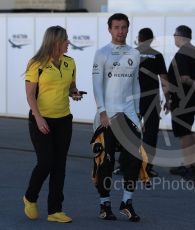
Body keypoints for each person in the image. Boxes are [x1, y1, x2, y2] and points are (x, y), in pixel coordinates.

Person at [23, 25, 83, 223]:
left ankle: (55, 210)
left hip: (64, 119)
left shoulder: (70, 62)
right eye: (66, 40)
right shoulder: (36, 64)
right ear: (56, 41)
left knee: (59, 165)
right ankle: (30, 197)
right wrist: (38, 118)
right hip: (41, 119)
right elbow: (30, 95)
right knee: (46, 162)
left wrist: (74, 93)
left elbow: (71, 86)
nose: (68, 43)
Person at [92, 13, 141, 222]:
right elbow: (96, 84)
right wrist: (102, 111)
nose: (120, 31)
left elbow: (135, 84)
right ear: (109, 29)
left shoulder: (134, 53)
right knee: (106, 163)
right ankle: (105, 205)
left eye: (124, 27)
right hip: (107, 117)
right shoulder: (101, 53)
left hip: (129, 115)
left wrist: (138, 115)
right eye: (116, 27)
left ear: (128, 29)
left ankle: (127, 203)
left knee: (133, 161)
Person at [167, 25, 195, 178]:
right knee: (187, 131)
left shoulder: (182, 54)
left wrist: (194, 83)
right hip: (193, 98)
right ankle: (194, 165)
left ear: (179, 36)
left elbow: (184, 78)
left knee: (183, 134)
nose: (174, 38)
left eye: (174, 35)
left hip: (183, 100)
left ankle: (189, 166)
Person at [136, 28, 169, 177]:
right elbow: (164, 80)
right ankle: (147, 168)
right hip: (152, 100)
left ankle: (125, 166)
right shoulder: (157, 55)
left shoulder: (130, 53)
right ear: (151, 40)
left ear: (139, 38)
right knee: (150, 134)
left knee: (129, 132)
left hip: (133, 100)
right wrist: (168, 99)